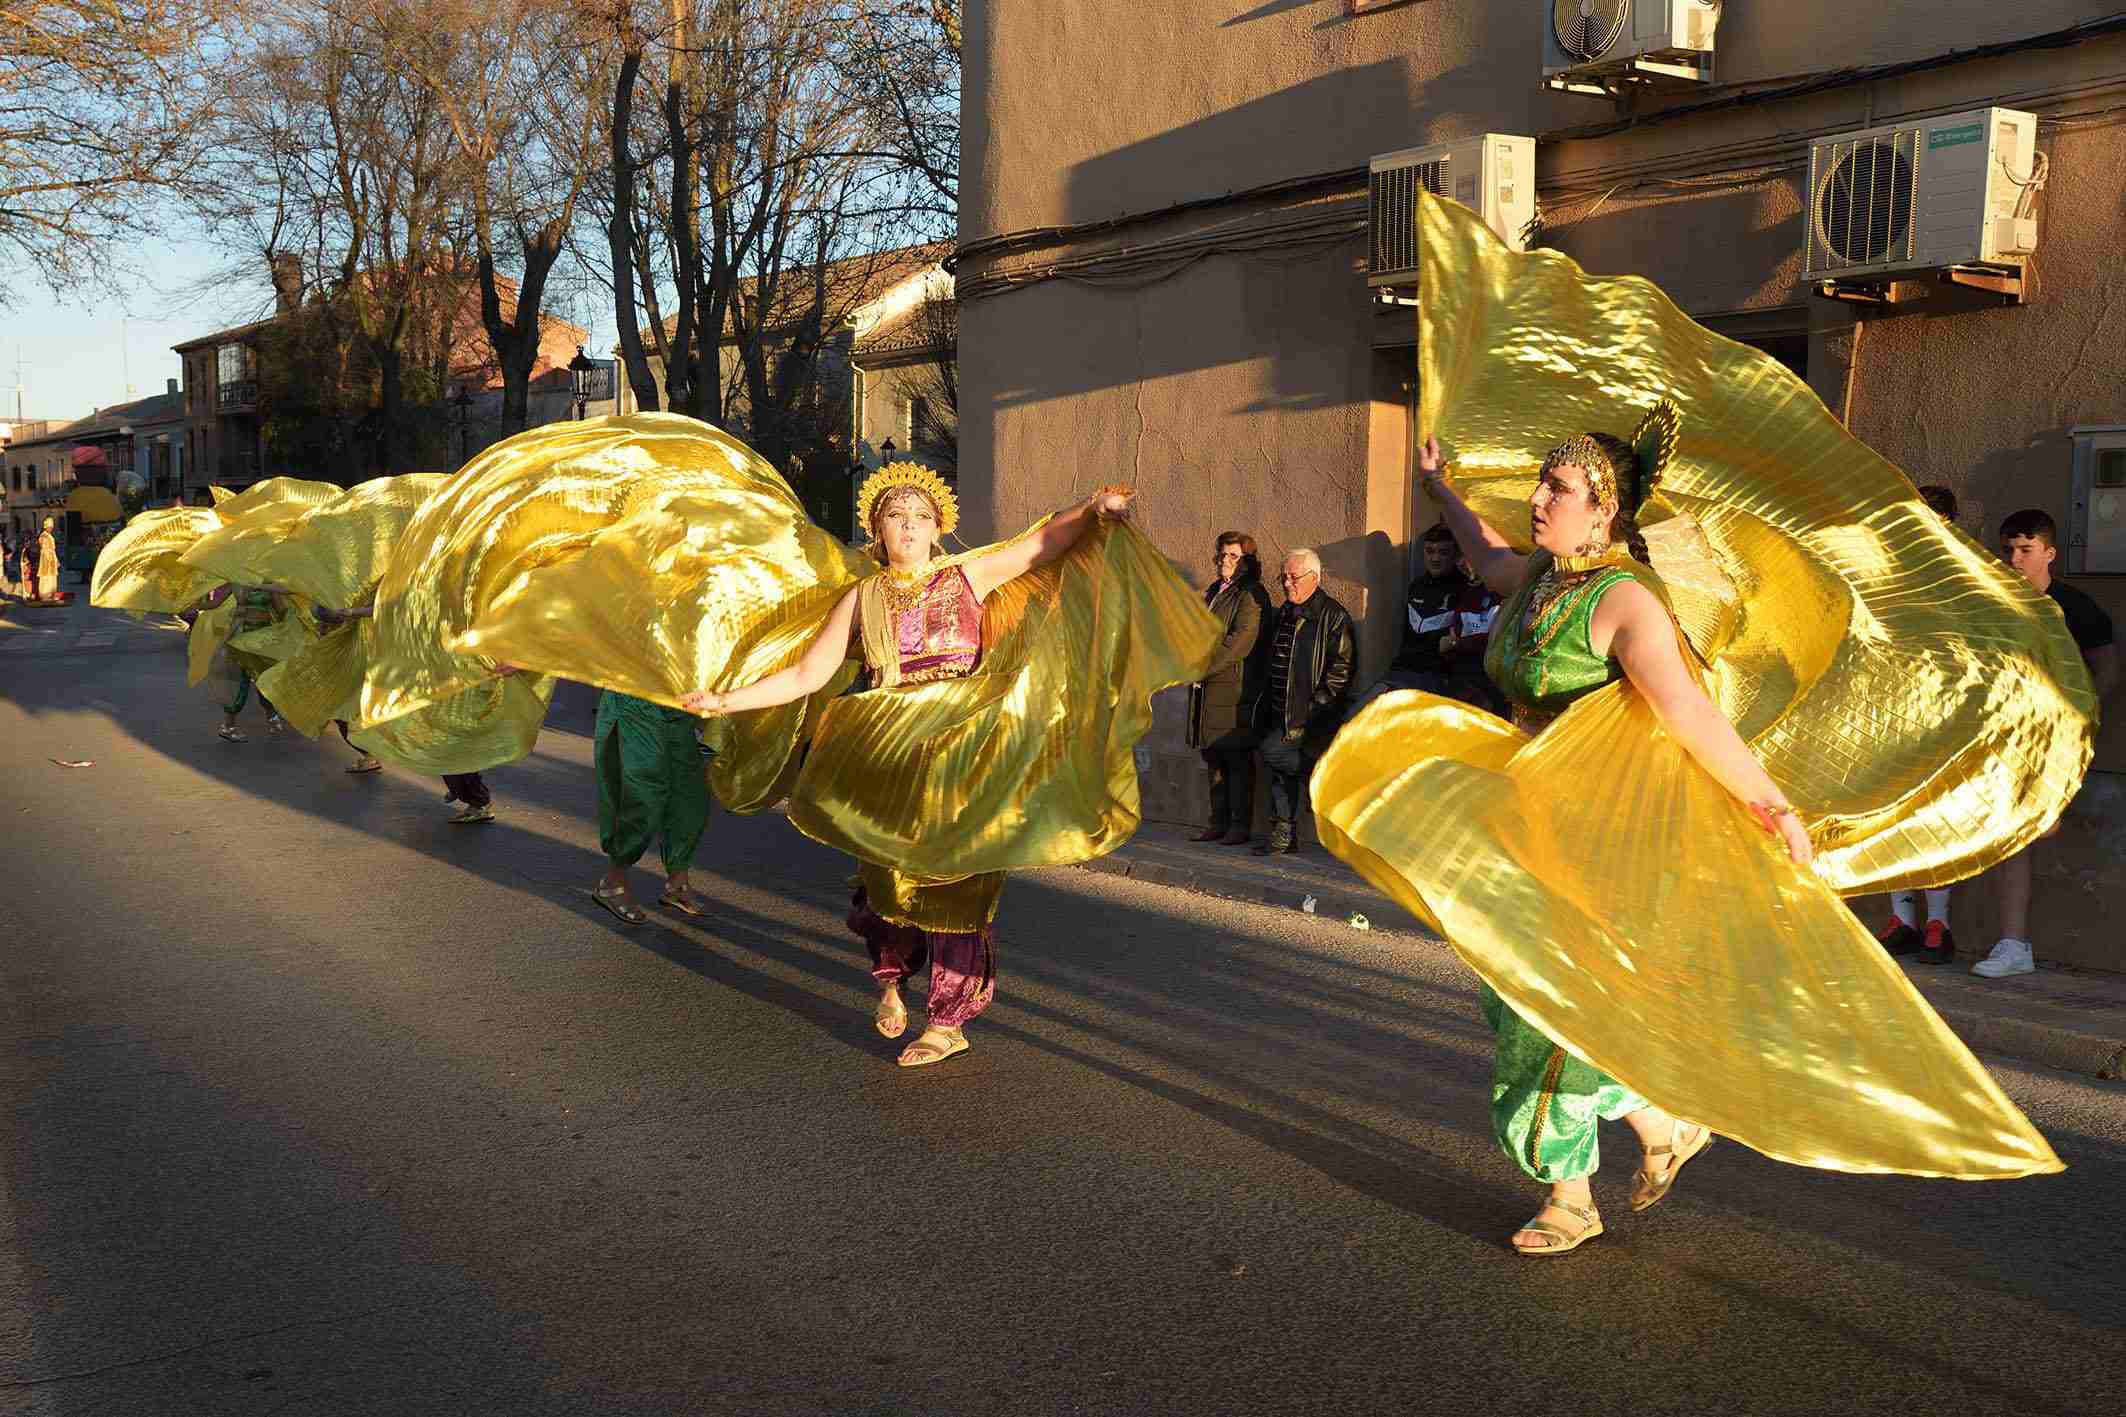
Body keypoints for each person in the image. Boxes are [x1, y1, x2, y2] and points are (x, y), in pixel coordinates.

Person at [681, 469, 1147, 1067]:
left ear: (937, 529)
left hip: (959, 751)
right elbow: (807, 675)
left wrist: (1092, 509)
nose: (908, 525)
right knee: (885, 882)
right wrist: (725, 700)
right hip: (885, 754)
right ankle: (891, 979)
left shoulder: (966, 576)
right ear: (877, 529)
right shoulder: (862, 597)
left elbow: (1040, 544)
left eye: (919, 516)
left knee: (956, 886)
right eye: (895, 515)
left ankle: (948, 1021)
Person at [1973, 508, 2118, 978]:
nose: (2014, 558)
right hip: (2006, 737)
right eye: (2008, 549)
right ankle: (2013, 945)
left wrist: (2078, 721)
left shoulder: (2074, 606)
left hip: (2062, 740)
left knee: (2038, 828)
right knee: (2015, 832)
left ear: (2049, 553)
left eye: (2025, 550)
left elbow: (2108, 669)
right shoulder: (1993, 601)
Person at [1874, 483, 1966, 964]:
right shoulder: (1893, 573)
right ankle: (1904, 919)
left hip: (1946, 708)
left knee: (1938, 817)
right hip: (1896, 706)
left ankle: (1939, 922)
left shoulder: (1966, 576)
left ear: (1949, 523)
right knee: (1895, 812)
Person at [1250, 548, 1355, 856]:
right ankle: (1283, 835)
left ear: (1315, 578)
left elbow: (1342, 669)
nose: (1287, 583)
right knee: (1278, 772)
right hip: (1278, 709)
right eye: (1283, 577)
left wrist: (1314, 708)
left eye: (1293, 577)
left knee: (1272, 753)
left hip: (1309, 715)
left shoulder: (1333, 615)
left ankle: (1318, 778)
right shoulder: (1285, 612)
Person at [589, 690, 713, 923]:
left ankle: (677, 881)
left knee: (690, 797)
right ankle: (613, 880)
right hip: (634, 695)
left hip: (681, 698)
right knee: (644, 794)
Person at [1185, 532, 1271, 845]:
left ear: (1247, 561)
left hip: (1233, 689)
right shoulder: (1215, 591)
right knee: (1213, 757)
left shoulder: (1250, 595)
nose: (1225, 560)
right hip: (1207, 687)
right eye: (1222, 554)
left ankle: (1239, 825)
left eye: (1233, 556)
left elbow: (1240, 642)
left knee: (1236, 759)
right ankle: (1217, 822)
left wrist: (1201, 668)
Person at [1350, 523, 1463, 716]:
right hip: (1403, 672)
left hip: (1440, 680)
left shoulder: (1464, 589)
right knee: (1356, 718)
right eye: (1430, 551)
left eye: (1443, 552)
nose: (1435, 558)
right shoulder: (1416, 586)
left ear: (1455, 555)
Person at [35, 518, 59, 601]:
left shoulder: (49, 536)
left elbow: (52, 550)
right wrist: (49, 560)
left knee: (52, 577)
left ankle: (51, 595)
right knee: (46, 577)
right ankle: (45, 596)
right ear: (46, 527)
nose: (51, 529)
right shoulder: (44, 536)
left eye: (52, 527)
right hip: (46, 560)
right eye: (50, 527)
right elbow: (45, 550)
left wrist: (55, 560)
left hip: (51, 559)